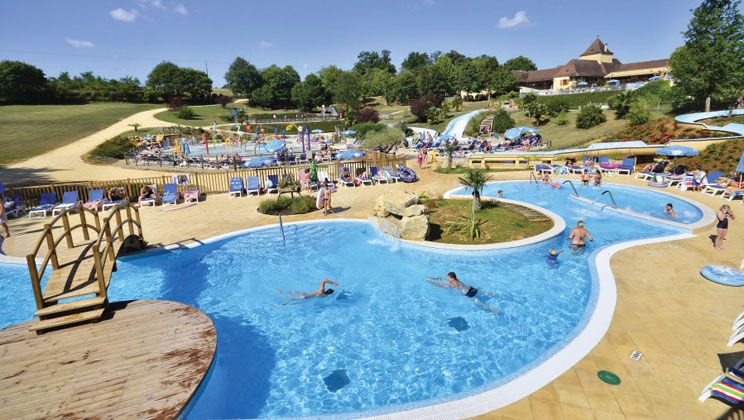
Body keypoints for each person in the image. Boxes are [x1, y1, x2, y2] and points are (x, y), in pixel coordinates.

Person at [427, 272, 498, 314]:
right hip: (471, 288)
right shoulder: (454, 279)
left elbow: (442, 286)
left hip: (469, 293)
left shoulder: (454, 284)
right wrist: (433, 278)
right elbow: (442, 279)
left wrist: (432, 283)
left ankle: (493, 310)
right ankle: (497, 295)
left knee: (478, 303)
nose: (447, 278)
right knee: (485, 293)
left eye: (448, 278)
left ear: (452, 278)